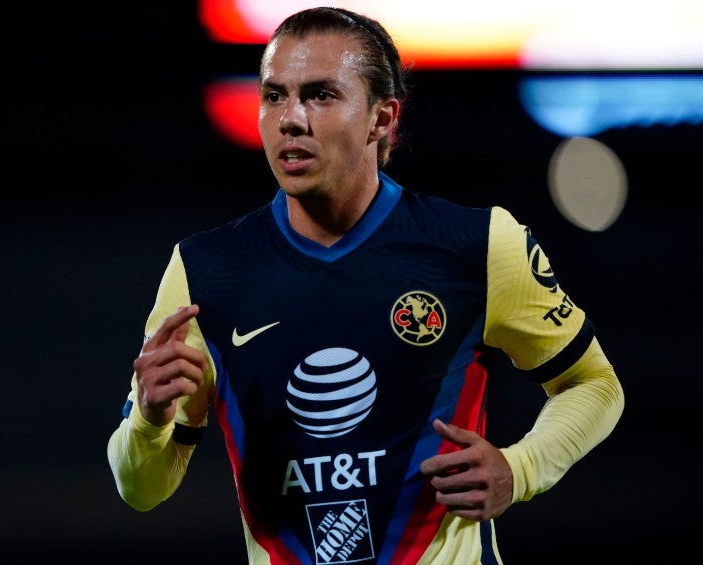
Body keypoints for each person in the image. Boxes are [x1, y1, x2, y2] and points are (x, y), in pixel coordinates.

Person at [107, 6, 624, 564]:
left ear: (382, 119)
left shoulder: (477, 245)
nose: (291, 119)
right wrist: (151, 421)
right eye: (274, 95)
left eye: (321, 95)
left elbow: (594, 385)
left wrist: (518, 469)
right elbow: (140, 489)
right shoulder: (202, 271)